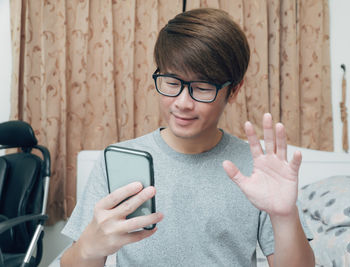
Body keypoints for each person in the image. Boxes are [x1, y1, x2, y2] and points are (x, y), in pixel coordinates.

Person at [60, 8, 315, 267]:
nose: (182, 103)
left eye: (201, 88)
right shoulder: (117, 161)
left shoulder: (257, 168)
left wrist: (285, 216)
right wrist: (89, 248)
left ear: (234, 90)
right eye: (171, 82)